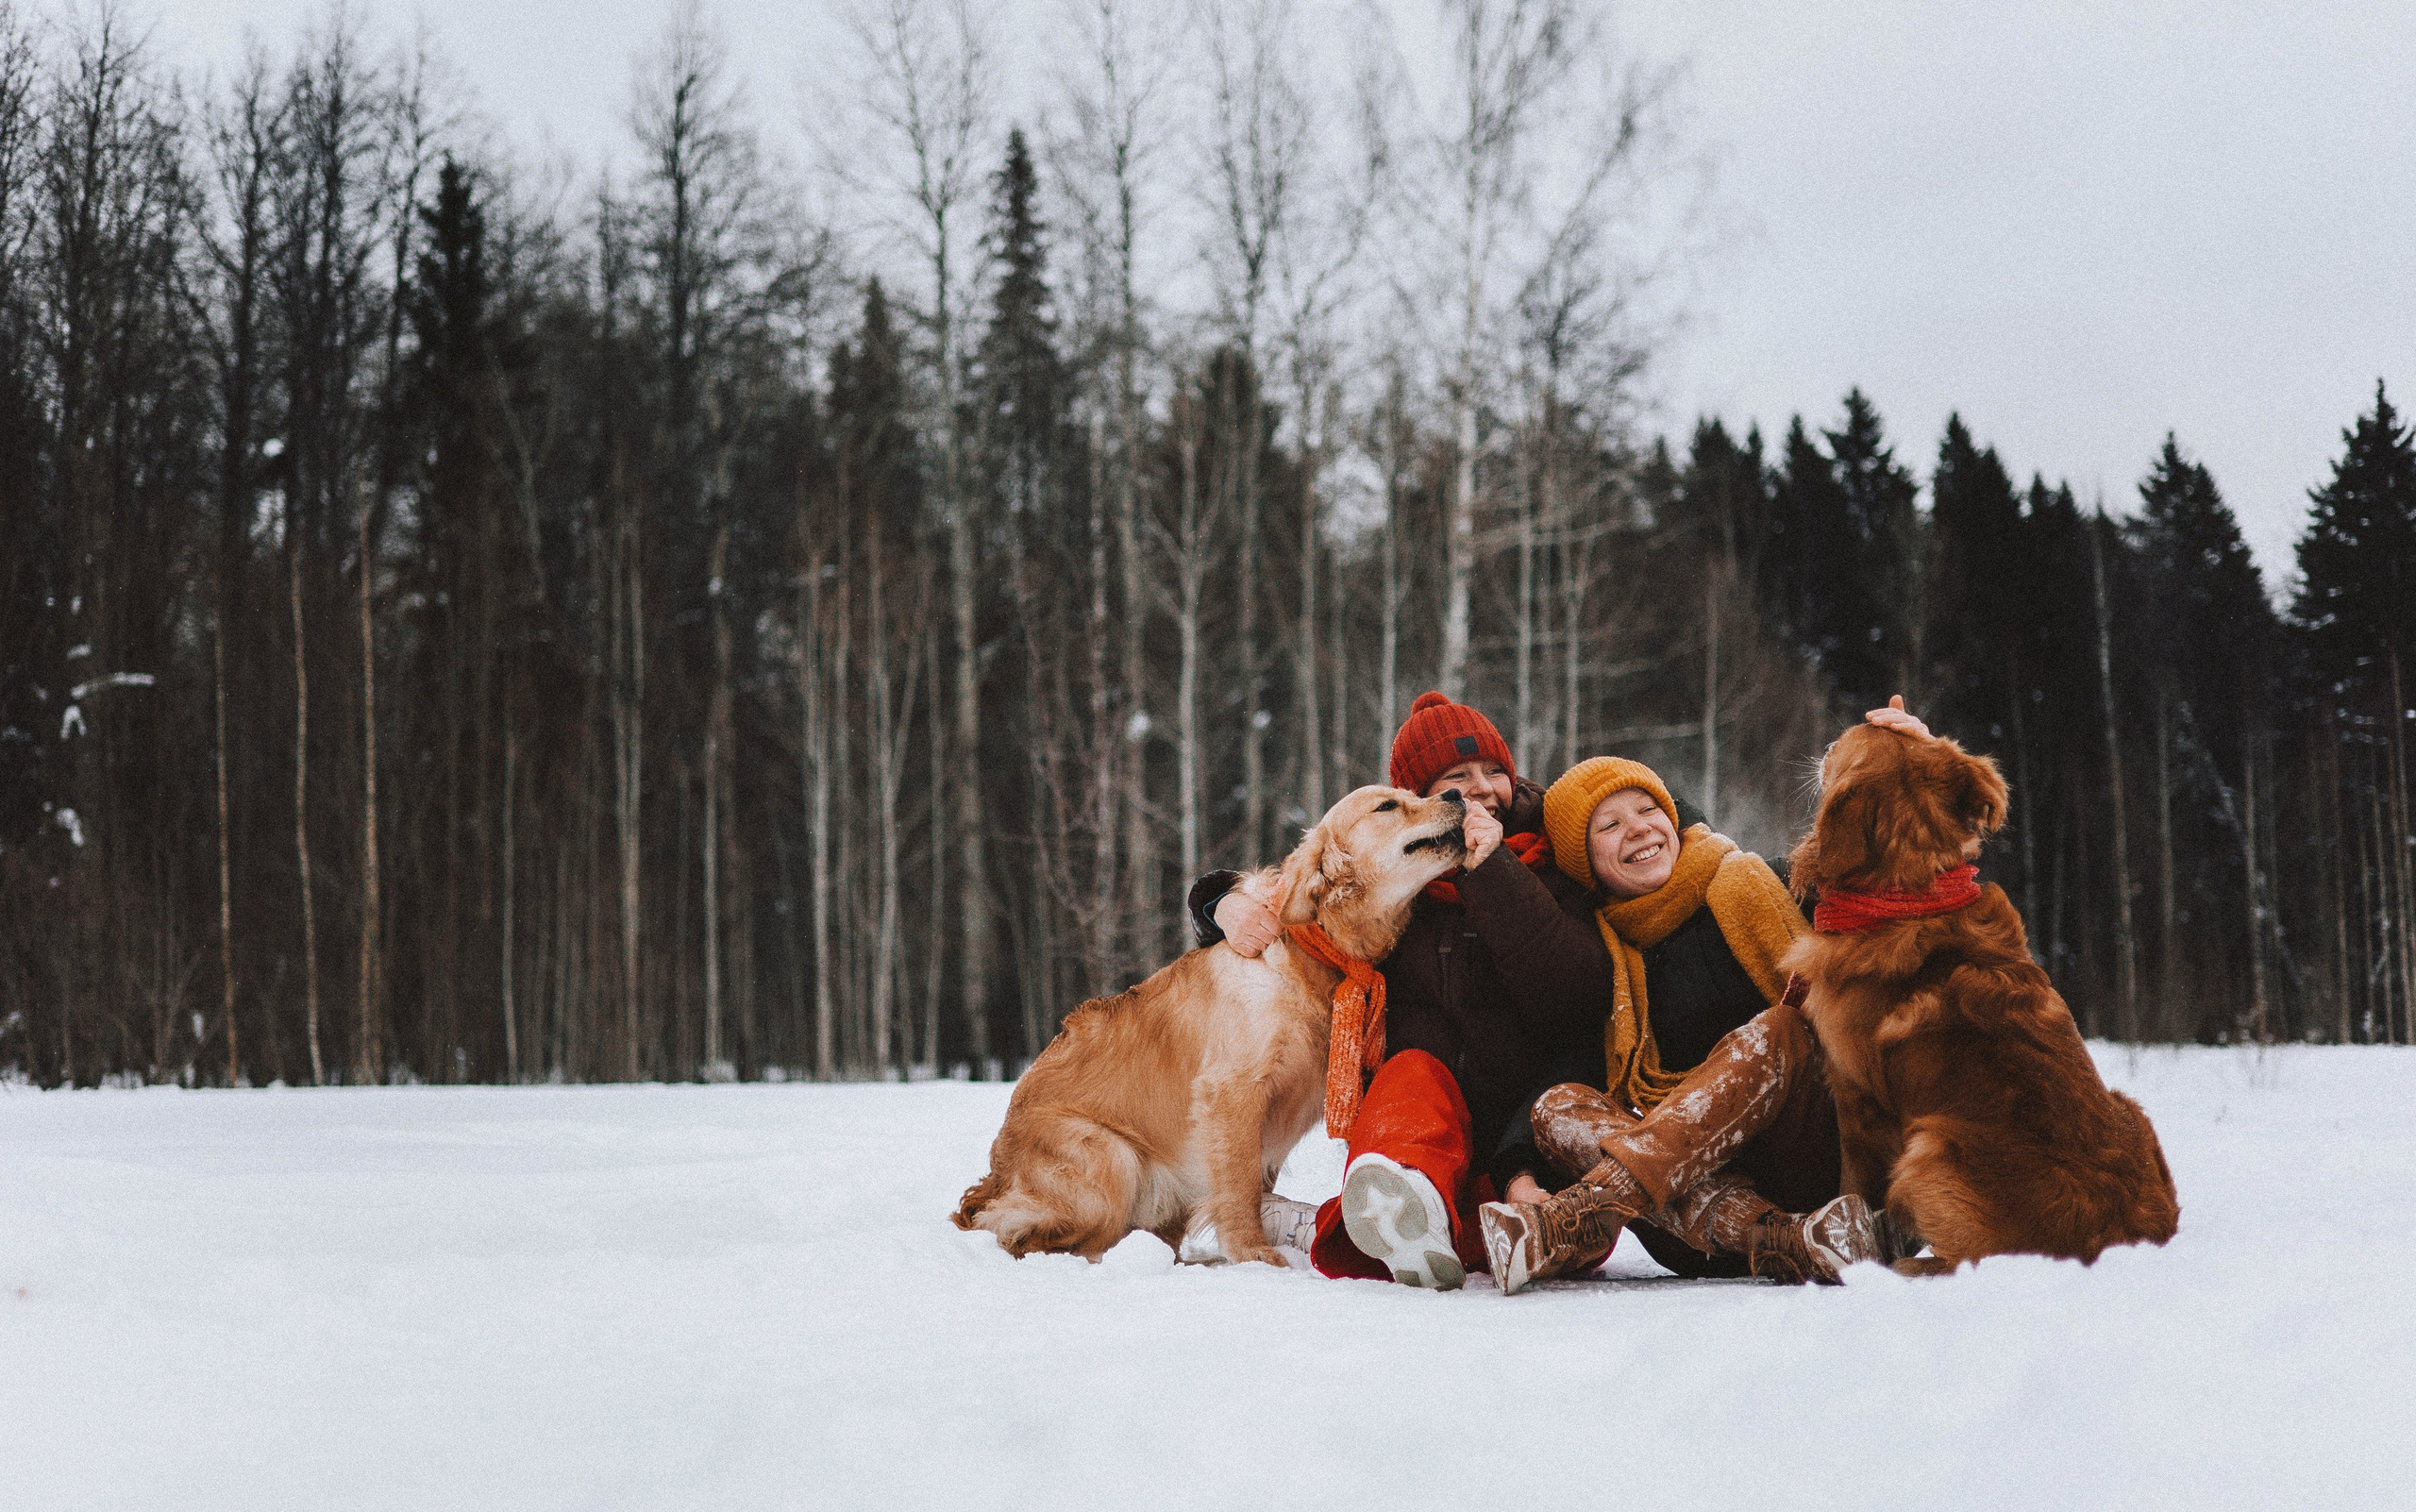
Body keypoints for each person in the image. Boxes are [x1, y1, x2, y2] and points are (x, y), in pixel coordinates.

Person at [1477, 699, 1934, 1293]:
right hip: (1704, 1215)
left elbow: (1892, 872)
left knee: (1781, 1030)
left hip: (1830, 1155)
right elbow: (1563, 1074)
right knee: (1557, 1105)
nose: (1639, 828)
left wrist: (1911, 771)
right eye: (1609, 825)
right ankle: (1791, 1240)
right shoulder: (1614, 968)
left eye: (1647, 809)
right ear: (1583, 864)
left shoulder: (1765, 883)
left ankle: (1584, 1212)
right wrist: (1515, 1170)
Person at [1188, 692, 1611, 1288]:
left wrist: (1492, 870)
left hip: (1528, 1128)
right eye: (1456, 779)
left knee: (1578, 1230)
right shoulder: (1389, 891)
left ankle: (1338, 1227)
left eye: (1496, 772)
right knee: (1411, 1071)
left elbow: (1571, 994)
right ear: (1426, 801)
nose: (1483, 789)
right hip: (1426, 1128)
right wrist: (1219, 902)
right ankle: (1401, 1192)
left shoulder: (1558, 859)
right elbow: (1302, 891)